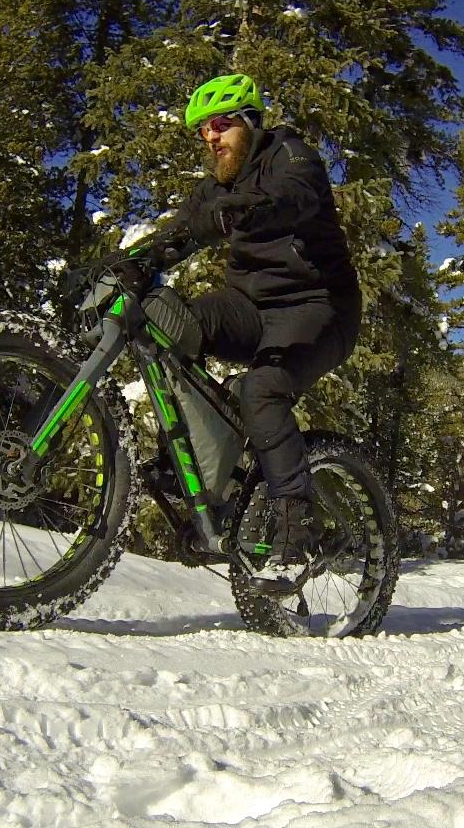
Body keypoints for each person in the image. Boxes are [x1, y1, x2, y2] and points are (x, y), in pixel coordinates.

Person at [126, 73, 361, 561]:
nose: (210, 137)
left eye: (220, 124)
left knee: (261, 387)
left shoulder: (291, 155)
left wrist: (240, 210)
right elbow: (177, 234)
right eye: (204, 130)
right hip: (250, 310)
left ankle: (297, 515)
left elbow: (294, 197)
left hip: (318, 308)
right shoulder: (217, 186)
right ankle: (206, 453)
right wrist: (124, 265)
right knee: (169, 323)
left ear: (251, 123)